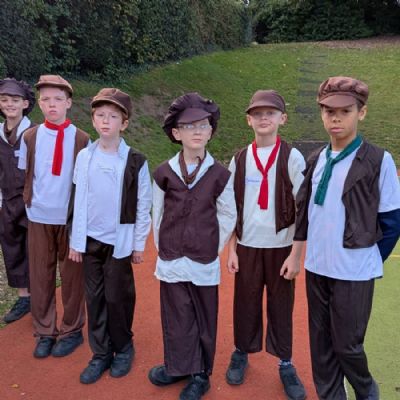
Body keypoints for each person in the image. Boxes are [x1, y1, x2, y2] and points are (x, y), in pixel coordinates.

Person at [294, 76, 400, 400]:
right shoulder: (316, 159)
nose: (336, 118)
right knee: (321, 346)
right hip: (317, 268)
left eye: (345, 111)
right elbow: (305, 214)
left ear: (361, 113)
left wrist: (368, 258)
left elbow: (392, 221)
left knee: (347, 345)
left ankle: (367, 392)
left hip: (354, 271)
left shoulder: (378, 160)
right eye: (329, 111)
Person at [148, 92, 236, 400]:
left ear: (211, 131)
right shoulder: (163, 172)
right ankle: (178, 366)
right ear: (176, 133)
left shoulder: (220, 175)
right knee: (175, 315)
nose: (197, 131)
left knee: (203, 316)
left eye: (203, 125)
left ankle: (200, 374)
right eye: (189, 126)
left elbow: (228, 214)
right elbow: (158, 213)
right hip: (172, 258)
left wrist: (211, 244)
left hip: (203, 260)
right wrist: (164, 247)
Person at [225, 90, 306, 400]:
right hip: (248, 244)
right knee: (245, 302)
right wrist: (232, 248)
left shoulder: (292, 157)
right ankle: (241, 352)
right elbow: (231, 206)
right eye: (257, 113)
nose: (263, 118)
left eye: (270, 113)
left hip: (281, 246)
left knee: (281, 305)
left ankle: (285, 362)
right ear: (249, 120)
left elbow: (302, 207)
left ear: (282, 118)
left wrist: (296, 255)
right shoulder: (239, 158)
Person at [69, 88, 152, 384]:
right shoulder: (84, 157)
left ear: (124, 123)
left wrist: (138, 244)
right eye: (101, 115)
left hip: (119, 242)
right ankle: (101, 352)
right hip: (91, 241)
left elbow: (143, 204)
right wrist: (76, 241)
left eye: (113, 116)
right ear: (93, 120)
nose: (106, 121)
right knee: (94, 299)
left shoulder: (135, 160)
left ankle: (123, 346)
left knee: (118, 297)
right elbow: (78, 199)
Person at [18, 75, 89, 358]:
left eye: (58, 99)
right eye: (45, 99)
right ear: (38, 103)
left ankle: (72, 330)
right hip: (38, 217)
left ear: (68, 103)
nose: (52, 105)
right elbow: (26, 173)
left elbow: (85, 183)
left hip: (69, 220)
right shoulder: (30, 137)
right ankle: (45, 330)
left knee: (72, 277)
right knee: (40, 275)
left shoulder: (82, 139)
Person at [0, 78, 35, 323]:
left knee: (36, 250)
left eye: (15, 100)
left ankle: (41, 296)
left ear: (25, 103)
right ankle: (24, 298)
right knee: (12, 248)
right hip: (7, 202)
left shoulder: (35, 133)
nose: (9, 104)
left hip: (32, 202)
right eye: (4, 100)